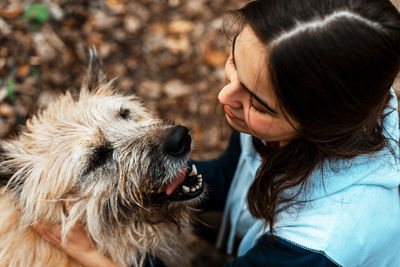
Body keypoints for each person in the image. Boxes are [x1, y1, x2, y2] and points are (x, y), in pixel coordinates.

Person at [35, 0, 400, 266]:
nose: (226, 95)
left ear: (319, 126)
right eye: (234, 62)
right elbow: (231, 174)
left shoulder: (322, 243)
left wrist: (93, 255)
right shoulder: (298, 105)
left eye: (259, 103)